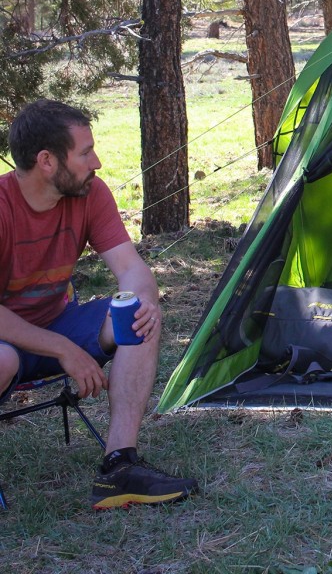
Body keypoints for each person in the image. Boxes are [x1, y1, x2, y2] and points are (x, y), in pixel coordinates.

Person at [0, 100, 198, 509]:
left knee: (137, 320)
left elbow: (131, 268)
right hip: (8, 341)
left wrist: (144, 300)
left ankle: (119, 466)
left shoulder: (90, 194)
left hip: (57, 322)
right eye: (86, 152)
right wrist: (64, 350)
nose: (99, 162)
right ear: (47, 161)